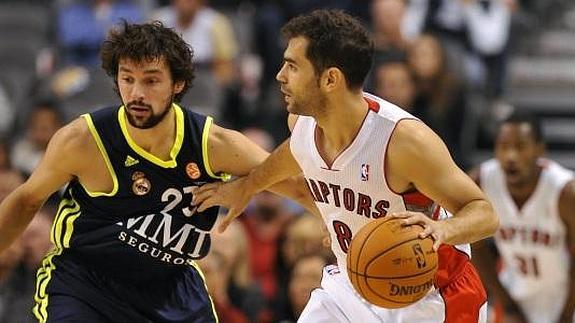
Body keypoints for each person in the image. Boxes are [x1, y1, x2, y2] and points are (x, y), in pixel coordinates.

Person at [192, 9, 499, 323]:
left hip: (429, 293)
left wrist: (442, 229)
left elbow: (484, 213)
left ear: (330, 79)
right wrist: (248, 185)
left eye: (293, 66)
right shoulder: (301, 124)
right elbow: (294, 153)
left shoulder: (402, 141)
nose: (280, 75)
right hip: (352, 283)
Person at [0, 21, 314, 322]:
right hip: (87, 285)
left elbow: (300, 188)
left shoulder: (214, 144)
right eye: (127, 78)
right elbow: (27, 200)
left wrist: (350, 230)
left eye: (151, 80)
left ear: (177, 84)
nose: (136, 93)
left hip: (171, 289)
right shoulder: (83, 140)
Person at [470, 112, 575, 323]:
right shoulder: (481, 181)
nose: (511, 156)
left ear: (540, 150)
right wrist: (506, 303)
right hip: (513, 295)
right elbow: (475, 245)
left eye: (520, 146)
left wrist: (565, 315)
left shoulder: (565, 192)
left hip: (565, 298)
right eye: (504, 146)